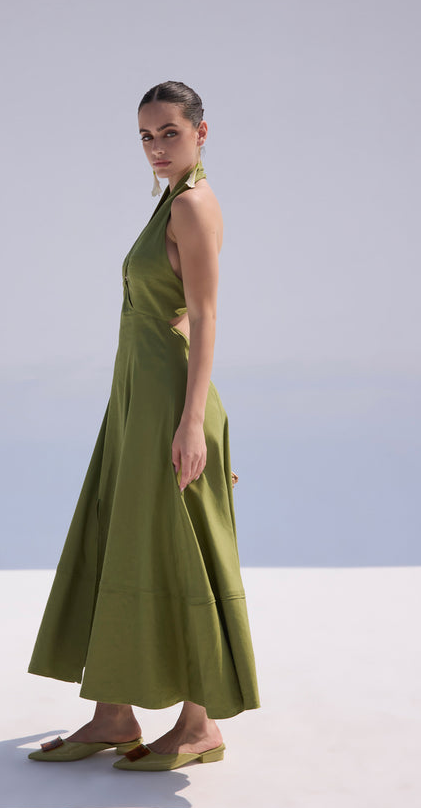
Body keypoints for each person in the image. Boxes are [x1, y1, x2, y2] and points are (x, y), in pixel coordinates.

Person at [26, 80, 260, 771]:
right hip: (137, 397)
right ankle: (114, 712)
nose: (157, 148)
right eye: (146, 137)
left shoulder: (191, 204)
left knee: (181, 548)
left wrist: (191, 424)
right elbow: (175, 308)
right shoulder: (170, 200)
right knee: (124, 538)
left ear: (201, 132)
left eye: (170, 133)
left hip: (171, 404)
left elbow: (207, 316)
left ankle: (199, 725)